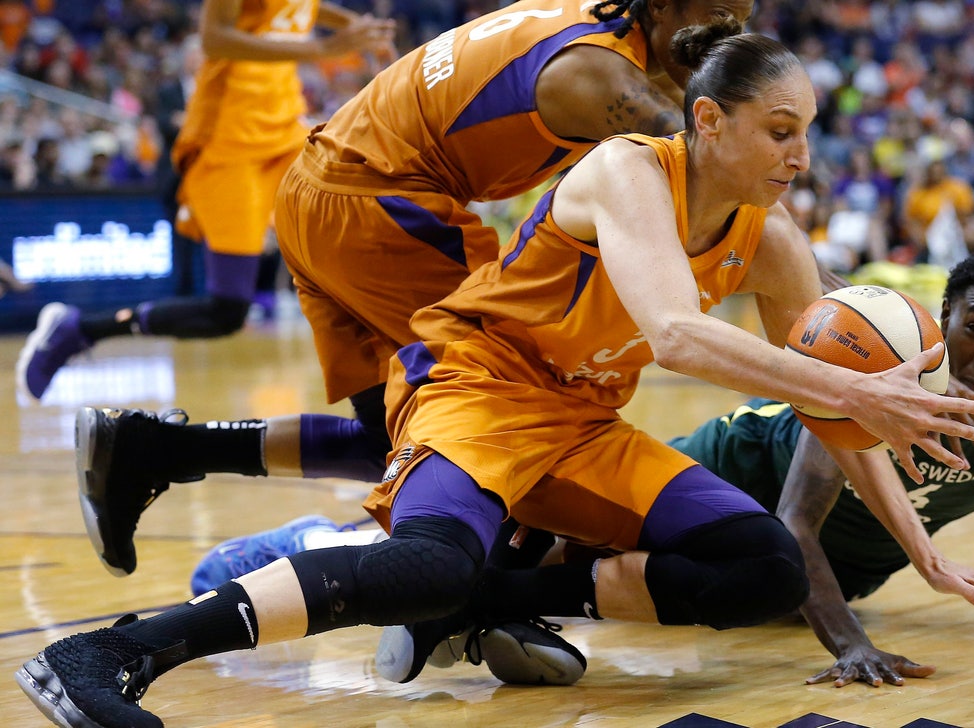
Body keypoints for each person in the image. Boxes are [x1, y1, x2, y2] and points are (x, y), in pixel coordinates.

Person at [16, 32, 974, 728]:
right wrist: (871, 396)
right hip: (477, 388)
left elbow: (830, 404)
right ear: (707, 119)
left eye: (808, 130)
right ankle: (111, 652)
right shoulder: (625, 169)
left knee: (764, 565)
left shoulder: (773, 241)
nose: (800, 154)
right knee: (423, 560)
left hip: (578, 423)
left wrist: (922, 547)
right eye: (780, 129)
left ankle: (485, 599)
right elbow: (676, 331)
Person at [199, 247, 974, 689]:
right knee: (498, 543)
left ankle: (469, 613)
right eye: (973, 329)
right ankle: (304, 549)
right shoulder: (878, 379)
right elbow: (795, 522)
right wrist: (847, 645)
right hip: (705, 487)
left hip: (811, 577)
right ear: (941, 318)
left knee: (525, 574)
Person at [64, 0, 758, 582]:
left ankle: (154, 449)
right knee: (507, 405)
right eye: (713, 21)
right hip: (387, 204)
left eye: (738, 27)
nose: (717, 49)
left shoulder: (600, 24)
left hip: (321, 185)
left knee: (388, 437)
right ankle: (475, 599)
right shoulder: (605, 79)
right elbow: (725, 177)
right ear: (661, 6)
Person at [15, 0, 397, 401]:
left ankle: (386, 407)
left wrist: (359, 27)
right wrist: (325, 49)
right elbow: (214, 39)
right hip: (229, 141)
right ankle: (77, 331)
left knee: (354, 229)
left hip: (285, 126)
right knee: (227, 310)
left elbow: (304, 6)